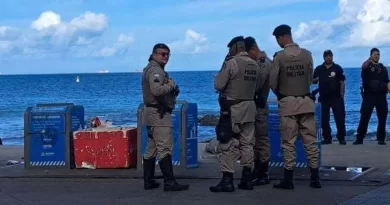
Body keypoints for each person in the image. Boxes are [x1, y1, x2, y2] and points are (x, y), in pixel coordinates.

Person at [269, 24, 322, 189]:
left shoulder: (279, 57)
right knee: (310, 142)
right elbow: (310, 78)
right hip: (306, 102)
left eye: (277, 40)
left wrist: (281, 95)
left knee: (288, 142)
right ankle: (315, 178)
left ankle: (288, 179)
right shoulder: (307, 55)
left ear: (280, 38)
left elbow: (273, 82)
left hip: (288, 104)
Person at [210, 36, 262, 192]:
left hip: (233, 110)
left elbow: (219, 84)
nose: (229, 51)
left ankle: (227, 180)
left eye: (230, 48)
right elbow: (257, 87)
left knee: (227, 143)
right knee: (248, 144)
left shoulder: (232, 63)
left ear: (236, 48)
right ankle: (247, 178)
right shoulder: (255, 65)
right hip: (250, 108)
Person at [141, 43, 189, 191]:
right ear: (154, 54)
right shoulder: (156, 70)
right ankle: (169, 182)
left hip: (152, 112)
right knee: (164, 148)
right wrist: (171, 86)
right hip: (159, 114)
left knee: (152, 148)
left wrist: (172, 91)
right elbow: (156, 91)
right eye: (162, 54)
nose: (166, 57)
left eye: (168, 54)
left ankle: (148, 181)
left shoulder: (151, 69)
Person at [244, 36, 272, 186]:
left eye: (248, 53)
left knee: (261, 140)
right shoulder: (259, 62)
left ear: (253, 50)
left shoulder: (263, 63)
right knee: (254, 141)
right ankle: (257, 169)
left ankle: (263, 172)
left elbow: (257, 83)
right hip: (254, 106)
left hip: (259, 105)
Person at [354, 48, 389, 145]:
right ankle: (359, 138)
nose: (377, 56)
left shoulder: (383, 68)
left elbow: (387, 82)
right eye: (375, 54)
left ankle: (381, 138)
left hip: (381, 96)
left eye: (378, 54)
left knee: (382, 117)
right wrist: (370, 59)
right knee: (365, 117)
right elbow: (363, 66)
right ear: (371, 55)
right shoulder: (367, 66)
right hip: (369, 96)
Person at [313, 50, 347, 145]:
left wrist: (342, 96)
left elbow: (342, 82)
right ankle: (327, 138)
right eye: (327, 56)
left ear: (332, 57)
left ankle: (341, 137)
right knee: (324, 119)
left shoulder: (338, 68)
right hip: (324, 98)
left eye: (330, 56)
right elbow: (313, 81)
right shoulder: (319, 68)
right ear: (323, 57)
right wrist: (315, 79)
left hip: (336, 97)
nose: (329, 58)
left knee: (340, 118)